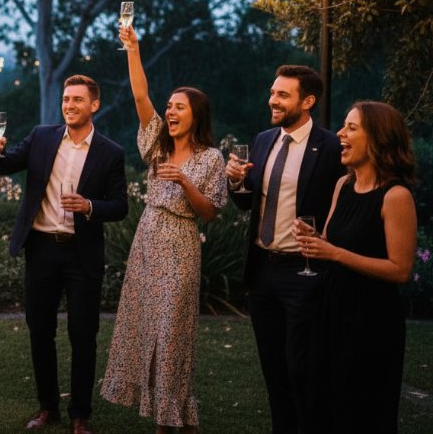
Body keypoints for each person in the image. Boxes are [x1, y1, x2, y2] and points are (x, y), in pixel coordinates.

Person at [100, 26, 227, 434]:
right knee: (147, 326)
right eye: (169, 106)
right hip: (148, 239)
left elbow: (210, 213)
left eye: (179, 108)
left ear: (196, 116)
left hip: (181, 242)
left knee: (172, 332)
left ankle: (170, 417)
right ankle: (173, 419)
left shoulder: (211, 158)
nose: (170, 112)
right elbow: (140, 97)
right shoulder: (157, 146)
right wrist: (132, 49)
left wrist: (185, 182)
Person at [0, 74, 128, 434]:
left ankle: (80, 414)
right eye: (66, 99)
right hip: (42, 250)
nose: (69, 105)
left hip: (82, 255)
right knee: (40, 331)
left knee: (83, 335)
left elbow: (120, 206)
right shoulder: (42, 136)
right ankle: (47, 406)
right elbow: (4, 165)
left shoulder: (111, 152)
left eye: (77, 100)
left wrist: (89, 205)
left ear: (94, 105)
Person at [225, 65, 344, 434]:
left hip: (304, 272)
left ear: (307, 101)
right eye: (273, 92)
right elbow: (248, 203)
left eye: (282, 95)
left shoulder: (330, 147)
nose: (272, 100)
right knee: (274, 369)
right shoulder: (263, 140)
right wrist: (236, 183)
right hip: (262, 271)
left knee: (302, 369)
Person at [293, 101, 417, 433]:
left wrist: (332, 253)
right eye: (343, 126)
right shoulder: (342, 185)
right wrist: (314, 238)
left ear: (377, 138)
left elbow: (401, 270)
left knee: (361, 410)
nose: (340, 134)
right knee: (323, 405)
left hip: (371, 318)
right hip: (330, 308)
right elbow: (335, 243)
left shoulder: (396, 196)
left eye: (351, 128)